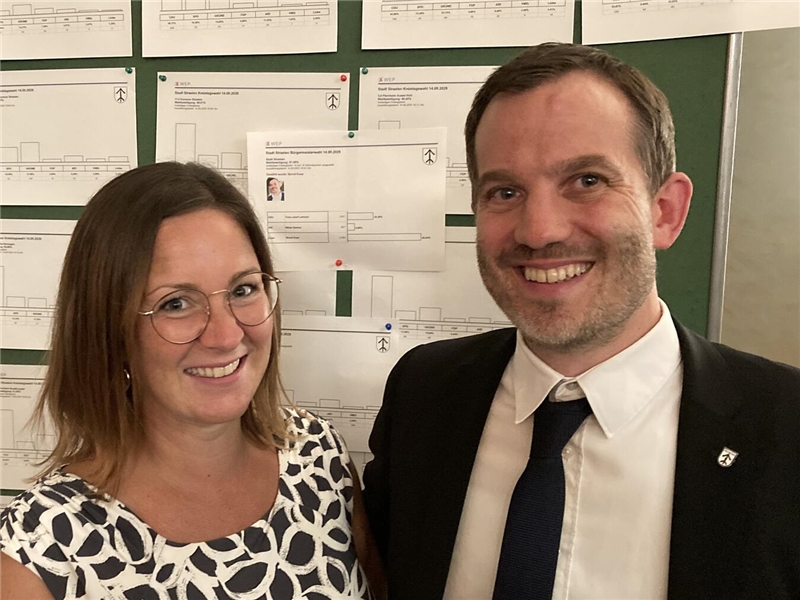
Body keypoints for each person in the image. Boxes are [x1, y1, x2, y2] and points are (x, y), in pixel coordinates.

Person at [363, 43, 800, 600]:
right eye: (505, 192)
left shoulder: (784, 429)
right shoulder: (424, 392)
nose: (538, 231)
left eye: (587, 181)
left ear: (665, 212)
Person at [0, 162, 383, 599]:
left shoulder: (319, 456)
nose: (226, 336)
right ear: (110, 332)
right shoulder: (41, 548)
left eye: (243, 290)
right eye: (176, 303)